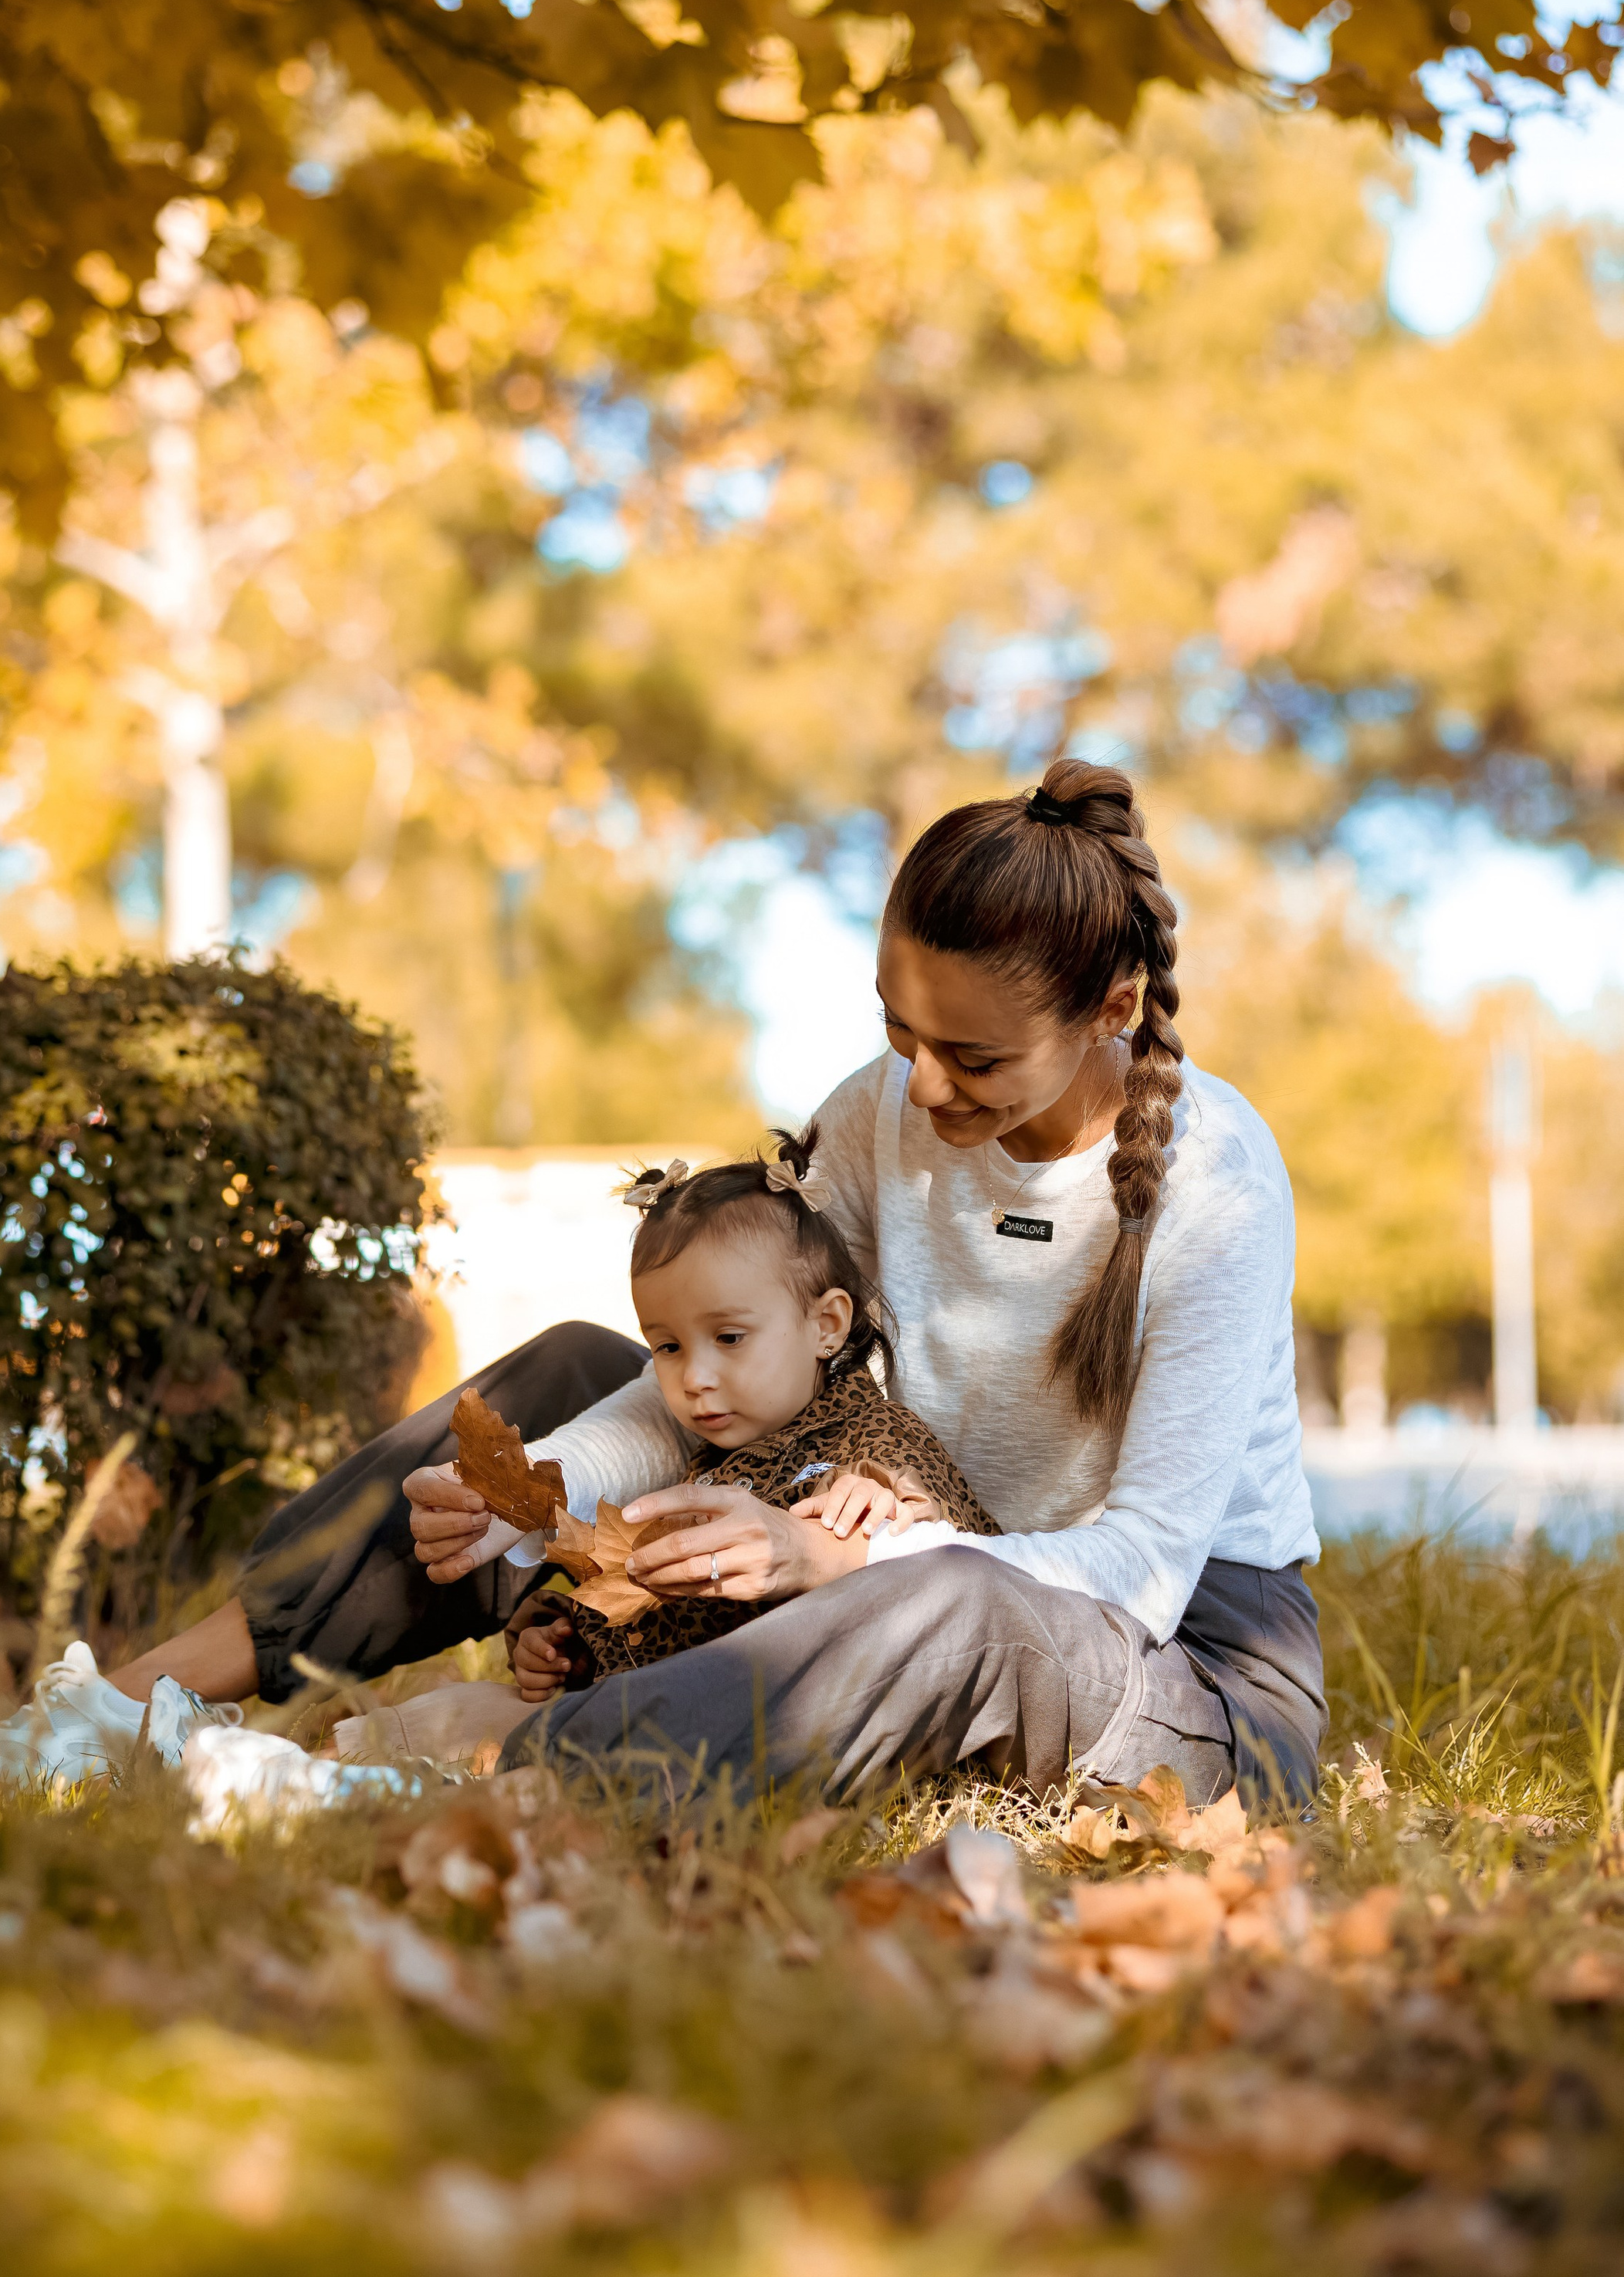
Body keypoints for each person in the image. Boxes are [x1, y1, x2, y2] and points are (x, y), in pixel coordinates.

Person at [112, 759, 1324, 1812]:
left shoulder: (1217, 1181)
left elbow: (1145, 1571)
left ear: (1113, 1010)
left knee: (957, 1597)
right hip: (905, 1551)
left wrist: (836, 1566)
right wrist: (542, 1492)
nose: (928, 1088)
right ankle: (111, 1714)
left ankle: (501, 1770)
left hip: (1173, 1670)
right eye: (903, 1034)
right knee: (580, 1371)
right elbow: (745, 1351)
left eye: (977, 1058)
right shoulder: (876, 1112)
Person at [505, 1128, 996, 1706]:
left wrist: (891, 1511)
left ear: (827, 1325)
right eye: (667, 1347)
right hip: (679, 1716)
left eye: (730, 1337)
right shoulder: (704, 1472)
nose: (694, 1377)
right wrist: (565, 1641)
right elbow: (666, 1613)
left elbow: (958, 1556)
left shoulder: (874, 1439)